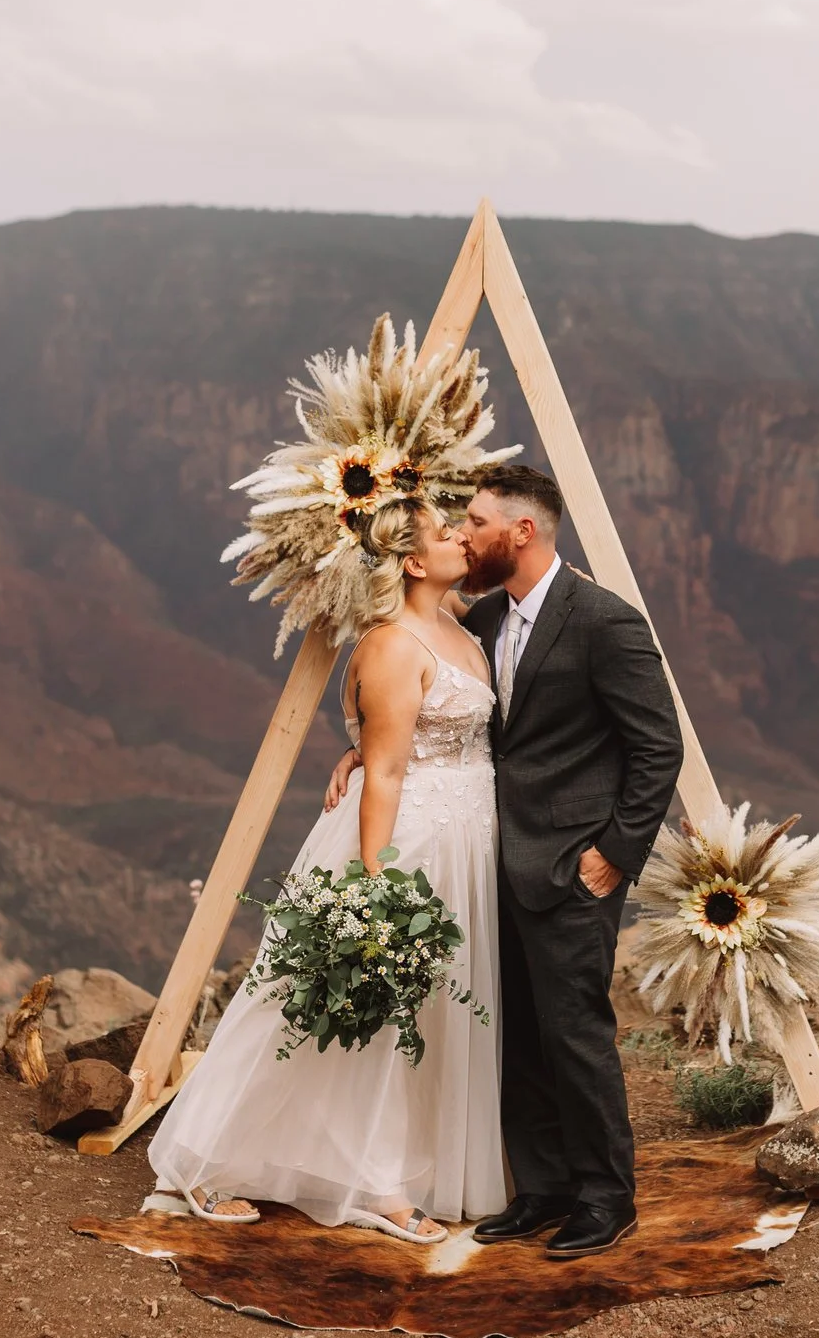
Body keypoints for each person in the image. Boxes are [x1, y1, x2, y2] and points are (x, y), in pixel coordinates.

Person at [147, 498, 506, 1243]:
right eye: (447, 534)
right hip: (407, 844)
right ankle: (212, 1162)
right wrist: (377, 883)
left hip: (467, 840)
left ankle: (396, 1165)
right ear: (411, 561)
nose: (462, 541)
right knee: (341, 1009)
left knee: (427, 1016)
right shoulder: (392, 645)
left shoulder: (459, 628)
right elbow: (384, 773)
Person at [454, 464, 683, 1260]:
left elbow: (658, 748)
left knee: (575, 1032)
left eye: (476, 521)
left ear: (521, 531)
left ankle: (604, 1197)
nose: (463, 533)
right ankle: (544, 1188)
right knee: (515, 1033)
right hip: (496, 867)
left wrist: (613, 857)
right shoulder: (482, 620)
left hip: (572, 868)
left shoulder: (604, 622)